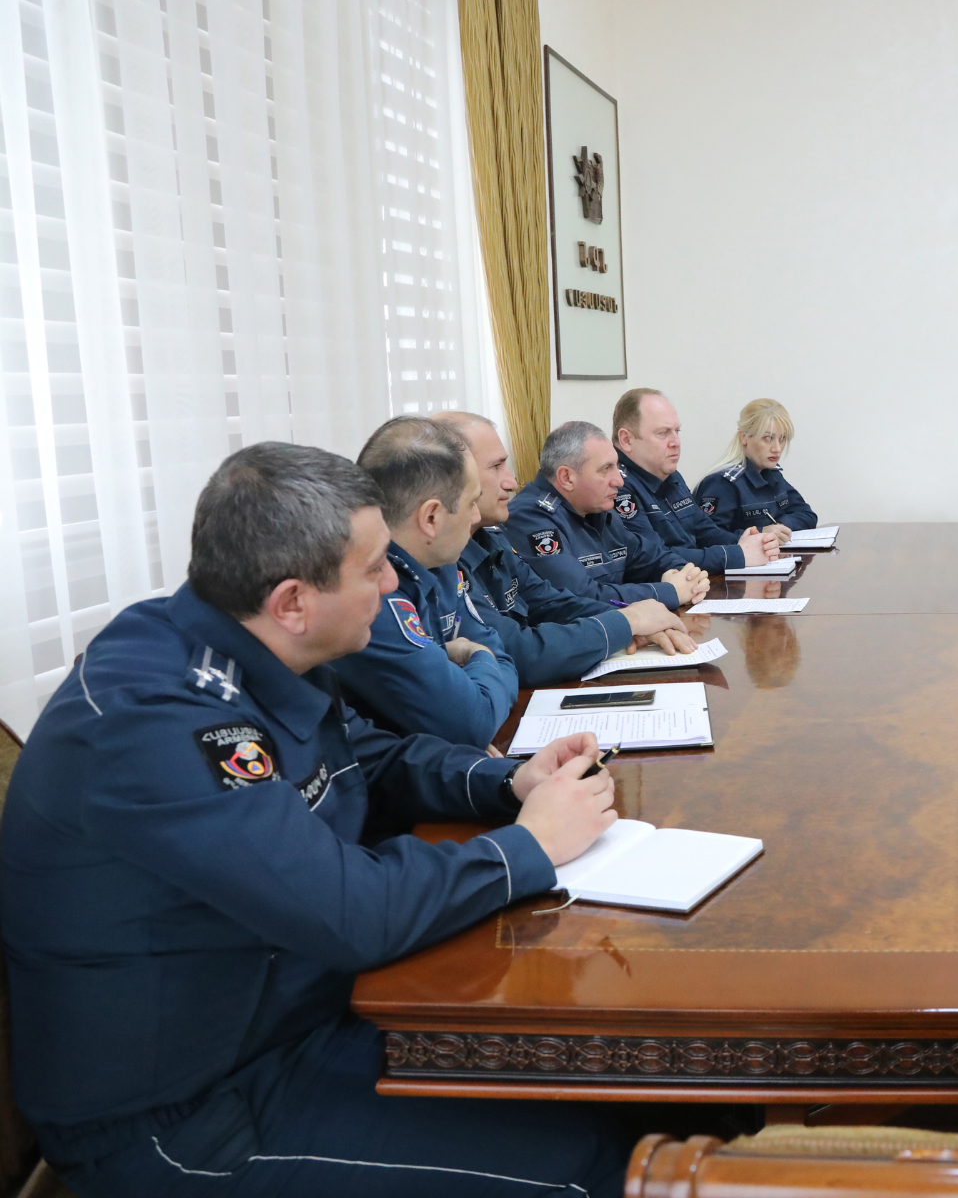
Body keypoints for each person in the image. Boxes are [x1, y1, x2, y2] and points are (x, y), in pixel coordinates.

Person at [0, 442, 634, 1197]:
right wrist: (526, 846)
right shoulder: (154, 719)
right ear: (293, 601)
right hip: (187, 1116)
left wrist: (507, 782)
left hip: (302, 1020)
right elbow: (350, 910)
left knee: (613, 1099)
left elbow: (366, 759)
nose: (394, 582)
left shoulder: (251, 643)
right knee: (589, 1170)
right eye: (374, 568)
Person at [437, 412, 696, 685]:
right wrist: (627, 622)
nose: (512, 482)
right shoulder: (445, 560)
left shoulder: (490, 538)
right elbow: (517, 651)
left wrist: (630, 619)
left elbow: (550, 602)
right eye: (496, 466)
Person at [330, 417, 517, 746]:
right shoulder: (375, 596)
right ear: (431, 517)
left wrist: (478, 666)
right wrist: (479, 657)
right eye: (471, 503)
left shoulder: (439, 560)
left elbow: (502, 655)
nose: (477, 517)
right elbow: (473, 723)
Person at [505, 421, 710, 614]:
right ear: (566, 477)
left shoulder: (597, 509)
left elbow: (653, 557)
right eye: (606, 469)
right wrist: (668, 592)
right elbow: (581, 597)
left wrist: (686, 577)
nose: (619, 481)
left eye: (617, 467)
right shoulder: (529, 518)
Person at [611, 388, 783, 569]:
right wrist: (736, 555)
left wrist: (749, 542)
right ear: (627, 440)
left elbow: (705, 532)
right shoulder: (617, 486)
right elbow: (654, 557)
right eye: (663, 433)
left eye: (677, 431)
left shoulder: (669, 475)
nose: (676, 442)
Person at [697, 398, 819, 534]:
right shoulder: (722, 483)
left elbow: (807, 515)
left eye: (782, 438)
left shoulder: (772, 474)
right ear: (744, 437)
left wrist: (780, 526)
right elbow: (709, 538)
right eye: (768, 438)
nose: (777, 449)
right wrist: (761, 534)